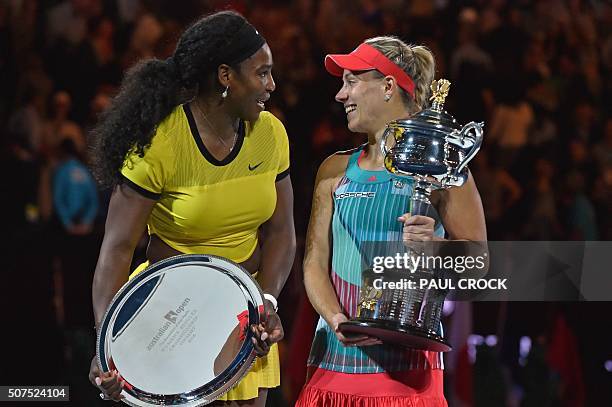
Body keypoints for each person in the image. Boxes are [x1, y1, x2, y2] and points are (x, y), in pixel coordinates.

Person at [87, 11, 296, 407]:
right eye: (262, 73)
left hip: (245, 317)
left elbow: (282, 231)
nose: (272, 85)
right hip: (171, 314)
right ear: (225, 76)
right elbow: (116, 247)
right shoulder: (159, 144)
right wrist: (105, 341)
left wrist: (266, 302)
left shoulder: (272, 133)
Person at [296, 37, 486, 406]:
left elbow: (478, 263)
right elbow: (314, 262)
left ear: (387, 86)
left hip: (408, 377)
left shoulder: (445, 169)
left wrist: (434, 248)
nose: (340, 94)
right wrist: (337, 320)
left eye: (351, 81)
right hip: (332, 363)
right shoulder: (333, 170)